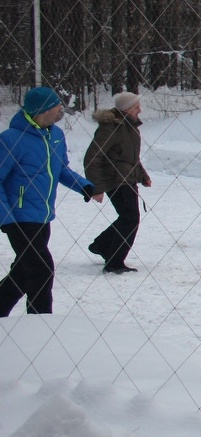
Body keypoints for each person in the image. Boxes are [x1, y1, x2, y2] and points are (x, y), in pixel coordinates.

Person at [0, 86, 103, 315]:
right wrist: (6, 220)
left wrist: (85, 187)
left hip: (43, 217)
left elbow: (61, 170)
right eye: (57, 104)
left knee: (23, 272)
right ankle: (40, 324)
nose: (61, 109)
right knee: (41, 271)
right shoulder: (10, 140)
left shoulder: (55, 135)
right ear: (43, 109)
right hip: (18, 220)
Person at [84, 91, 152, 273]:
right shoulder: (110, 128)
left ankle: (102, 245)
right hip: (115, 180)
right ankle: (114, 262)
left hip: (127, 179)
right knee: (130, 218)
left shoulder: (129, 126)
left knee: (128, 217)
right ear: (127, 108)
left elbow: (131, 157)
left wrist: (143, 175)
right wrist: (95, 188)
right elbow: (92, 157)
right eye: (136, 106)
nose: (140, 110)